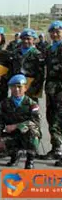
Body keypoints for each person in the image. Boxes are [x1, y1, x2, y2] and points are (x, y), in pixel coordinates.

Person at [0, 74, 40, 169]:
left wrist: (16, 126)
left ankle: (30, 160)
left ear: (25, 88)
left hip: (26, 134)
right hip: (12, 134)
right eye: (13, 87)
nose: (16, 89)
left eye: (19, 87)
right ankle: (14, 156)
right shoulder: (4, 104)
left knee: (33, 133)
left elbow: (35, 122)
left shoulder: (32, 104)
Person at [43, 21, 62, 159]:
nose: (55, 34)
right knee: (51, 118)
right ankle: (55, 148)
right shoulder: (50, 49)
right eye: (52, 32)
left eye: (58, 31)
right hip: (50, 89)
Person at [10, 28, 44, 101]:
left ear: (34, 40)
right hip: (16, 86)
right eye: (24, 39)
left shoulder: (38, 54)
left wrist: (35, 88)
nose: (26, 41)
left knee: (31, 108)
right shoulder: (15, 52)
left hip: (31, 87)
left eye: (29, 39)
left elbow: (41, 74)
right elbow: (10, 69)